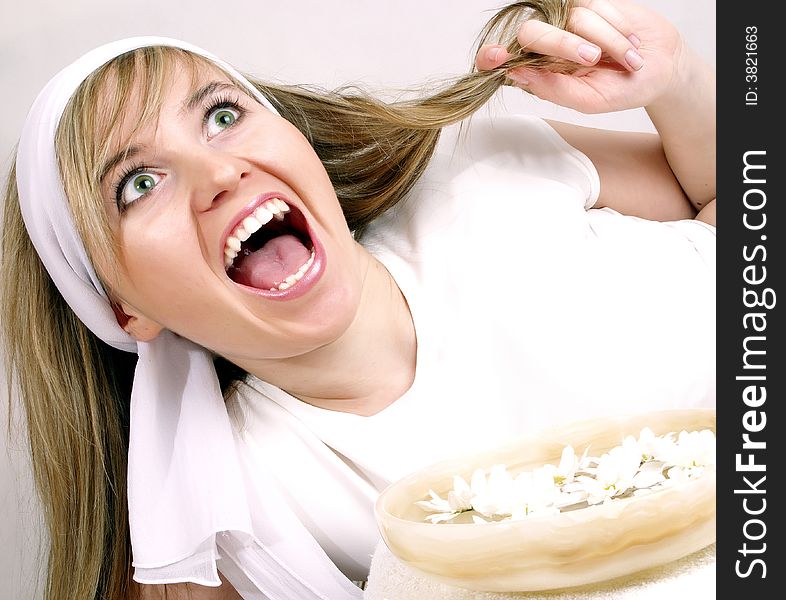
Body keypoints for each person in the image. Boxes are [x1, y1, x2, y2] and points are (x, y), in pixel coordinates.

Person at [1, 0, 715, 598]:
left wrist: (678, 77)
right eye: (139, 184)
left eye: (221, 116)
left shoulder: (479, 166)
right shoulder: (244, 515)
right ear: (123, 310)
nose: (217, 171)